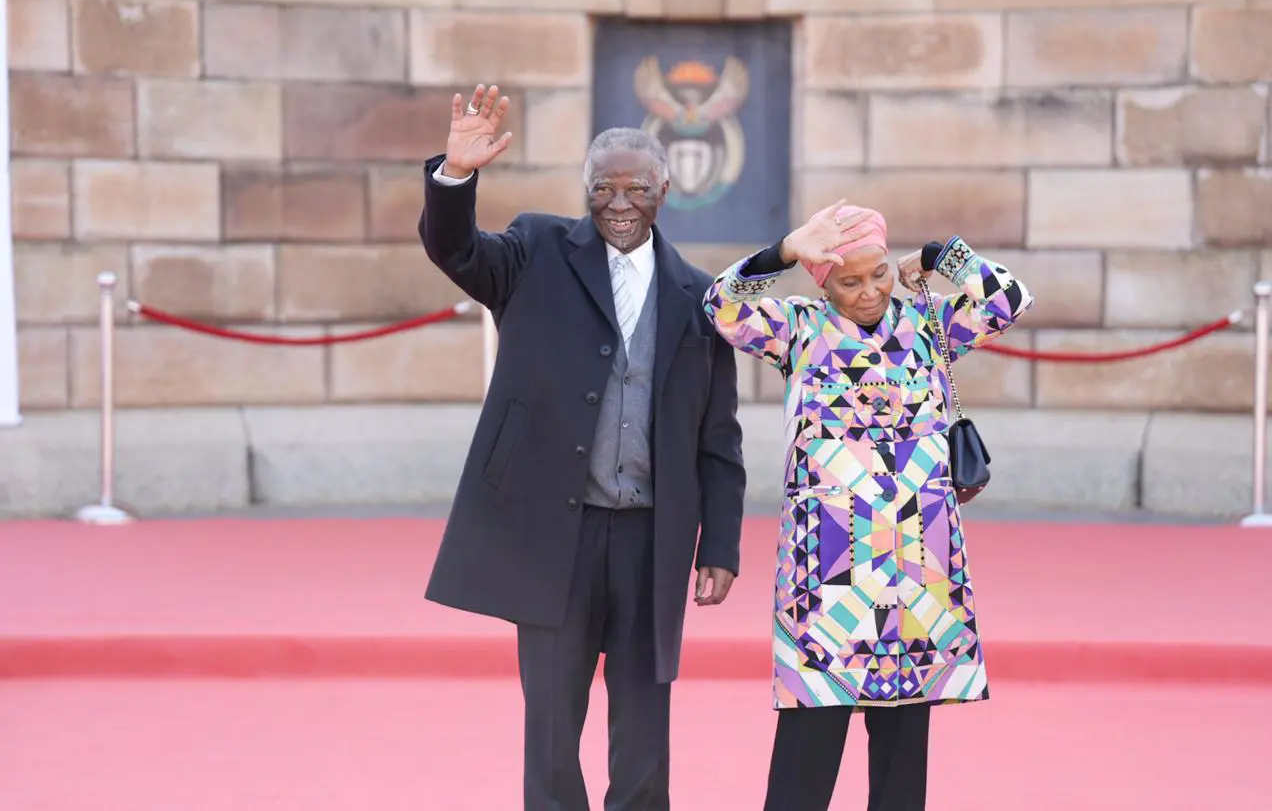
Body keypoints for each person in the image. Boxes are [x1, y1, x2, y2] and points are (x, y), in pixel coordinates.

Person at [419, 84, 747, 811]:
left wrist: (719, 545)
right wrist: (455, 176)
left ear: (666, 190)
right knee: (551, 725)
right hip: (552, 534)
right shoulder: (536, 250)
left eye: (636, 187)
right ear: (586, 191)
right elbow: (455, 249)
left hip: (649, 536)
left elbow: (717, 438)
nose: (619, 201)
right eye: (604, 187)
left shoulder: (698, 297)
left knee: (643, 732)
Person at [703, 202, 1033, 811]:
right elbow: (720, 305)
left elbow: (1008, 299)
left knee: (903, 765)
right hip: (828, 576)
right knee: (807, 750)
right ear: (821, 279)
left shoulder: (928, 325)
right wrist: (784, 250)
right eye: (849, 281)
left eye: (878, 273)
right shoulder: (796, 328)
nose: (869, 292)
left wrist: (940, 256)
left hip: (919, 570)